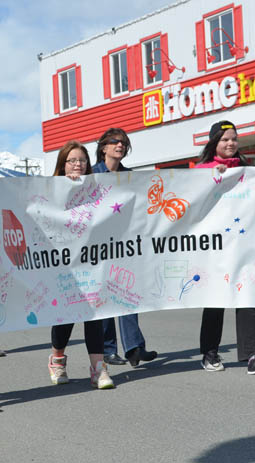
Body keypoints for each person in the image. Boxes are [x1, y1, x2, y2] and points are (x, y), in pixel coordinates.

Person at [194, 120, 255, 375]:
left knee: (247, 294)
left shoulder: (246, 170)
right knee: (215, 299)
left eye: (233, 139)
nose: (230, 143)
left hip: (241, 245)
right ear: (214, 143)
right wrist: (209, 177)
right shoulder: (201, 170)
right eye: (224, 139)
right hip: (213, 248)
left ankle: (252, 356)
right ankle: (209, 353)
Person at [47, 140, 114, 389]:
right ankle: (57, 360)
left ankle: (98, 368)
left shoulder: (97, 189)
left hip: (91, 262)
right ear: (62, 165)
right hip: (62, 264)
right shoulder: (50, 190)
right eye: (72, 160)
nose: (78, 164)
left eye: (82, 160)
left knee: (94, 314)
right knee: (65, 315)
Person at [92, 128, 157, 367]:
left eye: (123, 142)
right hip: (98, 245)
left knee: (128, 294)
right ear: (103, 147)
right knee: (105, 298)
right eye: (114, 142)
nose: (120, 145)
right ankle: (108, 349)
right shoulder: (91, 174)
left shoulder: (130, 176)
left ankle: (133, 348)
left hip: (124, 244)